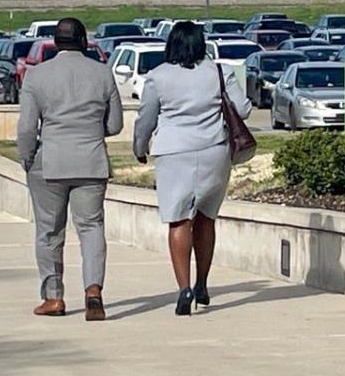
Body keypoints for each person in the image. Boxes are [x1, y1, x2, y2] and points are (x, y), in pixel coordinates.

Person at [132, 22, 251, 316]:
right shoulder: (219, 72)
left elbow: (147, 117)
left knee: (178, 220)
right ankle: (202, 283)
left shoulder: (158, 76)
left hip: (174, 152)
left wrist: (140, 146)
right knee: (206, 218)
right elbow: (244, 109)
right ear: (201, 44)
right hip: (214, 151)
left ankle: (183, 287)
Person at [17, 17, 123, 321]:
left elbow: (26, 128)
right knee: (91, 228)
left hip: (50, 162)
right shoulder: (102, 73)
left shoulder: (37, 75)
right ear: (83, 41)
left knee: (49, 232)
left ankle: (53, 298)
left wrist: (27, 157)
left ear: (55, 41)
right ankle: (93, 292)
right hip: (90, 161)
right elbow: (114, 125)